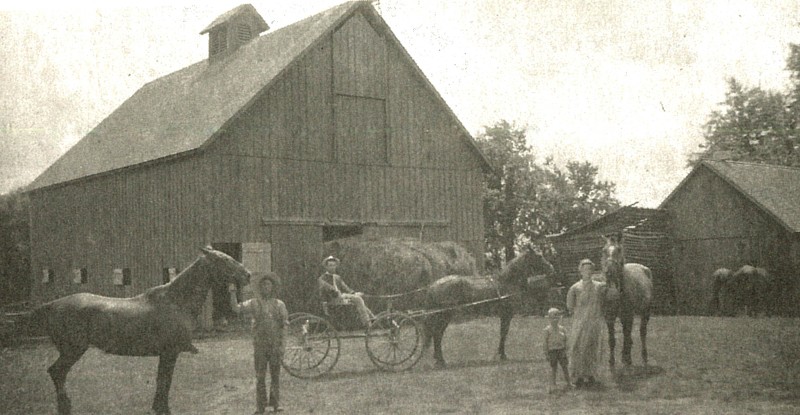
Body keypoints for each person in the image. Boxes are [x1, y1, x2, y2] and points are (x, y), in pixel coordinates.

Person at [229, 271, 288, 414]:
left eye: (268, 285)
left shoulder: (279, 304)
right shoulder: (254, 303)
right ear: (260, 288)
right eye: (263, 285)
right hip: (260, 346)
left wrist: (283, 346)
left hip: (275, 345)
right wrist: (232, 292)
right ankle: (260, 406)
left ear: (272, 287)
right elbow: (236, 308)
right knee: (260, 376)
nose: (266, 288)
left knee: (275, 375)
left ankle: (275, 404)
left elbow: (285, 326)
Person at [566, 258, 606, 388]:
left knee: (592, 348)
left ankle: (590, 375)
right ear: (580, 271)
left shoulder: (599, 286)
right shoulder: (575, 288)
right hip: (580, 322)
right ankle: (577, 376)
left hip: (594, 322)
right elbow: (570, 306)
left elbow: (611, 291)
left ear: (593, 271)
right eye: (584, 269)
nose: (587, 271)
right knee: (577, 347)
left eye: (590, 269)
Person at [317, 255, 375, 326]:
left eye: (334, 265)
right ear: (326, 267)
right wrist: (325, 304)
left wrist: (354, 293)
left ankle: (372, 319)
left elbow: (345, 287)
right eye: (330, 265)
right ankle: (368, 323)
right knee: (358, 299)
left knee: (359, 301)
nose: (333, 267)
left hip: (341, 298)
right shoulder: (322, 279)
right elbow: (327, 292)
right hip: (331, 301)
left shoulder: (337, 277)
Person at [543, 307, 571, 393]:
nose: (555, 320)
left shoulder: (562, 329)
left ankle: (569, 382)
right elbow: (545, 342)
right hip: (552, 351)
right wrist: (546, 353)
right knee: (553, 368)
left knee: (565, 367)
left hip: (561, 350)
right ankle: (553, 384)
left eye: (557, 318)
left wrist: (566, 347)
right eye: (553, 318)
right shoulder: (547, 330)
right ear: (549, 319)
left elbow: (566, 339)